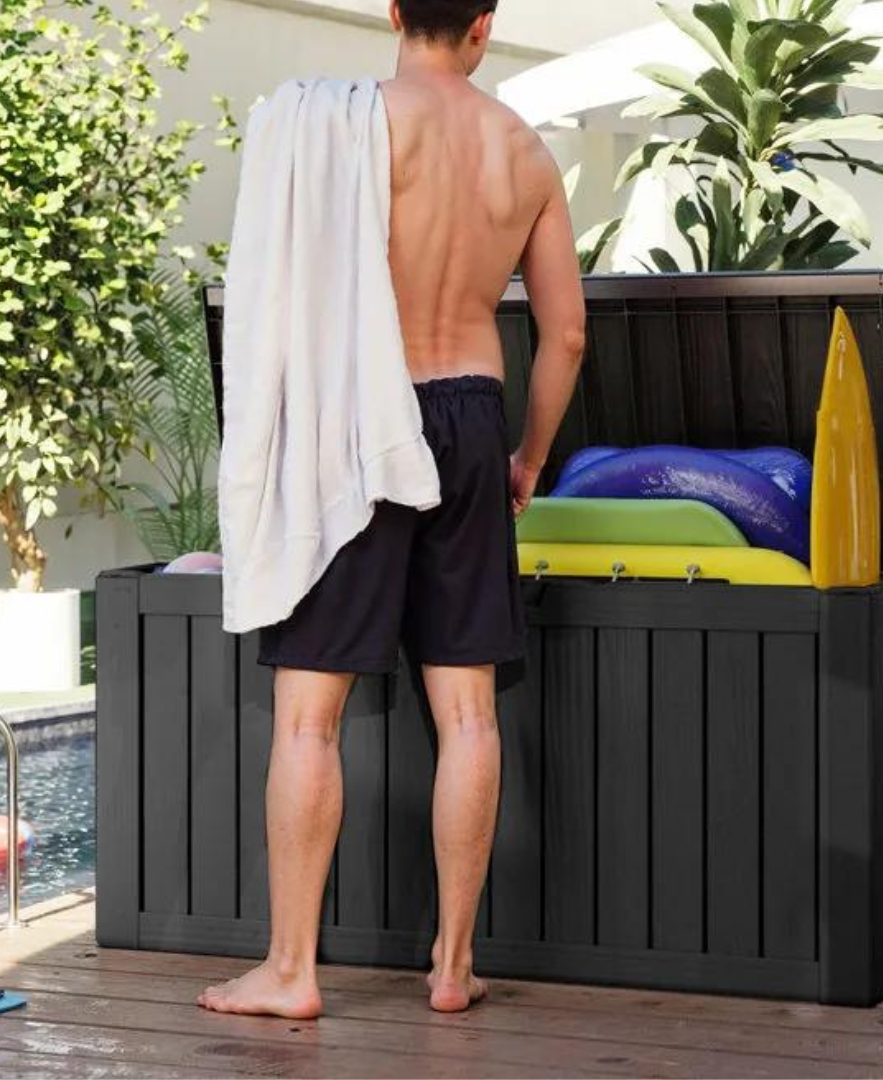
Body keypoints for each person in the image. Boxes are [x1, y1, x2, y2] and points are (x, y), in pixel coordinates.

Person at [198, 0, 585, 1019]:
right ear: (485, 25)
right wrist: (527, 459)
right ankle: (453, 967)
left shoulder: (337, 122)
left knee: (306, 720)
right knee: (467, 714)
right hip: (469, 413)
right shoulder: (524, 152)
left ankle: (291, 971)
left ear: (394, 10)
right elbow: (568, 336)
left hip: (352, 419)